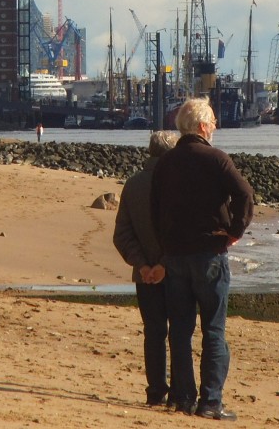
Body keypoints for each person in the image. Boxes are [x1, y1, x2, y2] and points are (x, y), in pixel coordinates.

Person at [151, 97, 254, 421]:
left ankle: (182, 397)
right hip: (209, 253)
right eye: (211, 123)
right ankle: (210, 402)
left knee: (180, 330)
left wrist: (164, 244)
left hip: (176, 256)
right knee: (213, 330)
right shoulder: (216, 159)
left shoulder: (165, 163)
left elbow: (155, 210)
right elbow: (245, 194)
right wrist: (235, 230)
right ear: (201, 126)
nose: (215, 128)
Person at [113, 130, 180, 406]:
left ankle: (155, 391)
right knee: (179, 331)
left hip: (144, 275)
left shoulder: (133, 184)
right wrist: (163, 264)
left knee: (153, 332)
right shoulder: (178, 186)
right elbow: (182, 233)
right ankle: (180, 390)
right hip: (176, 272)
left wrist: (142, 265)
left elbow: (122, 234)